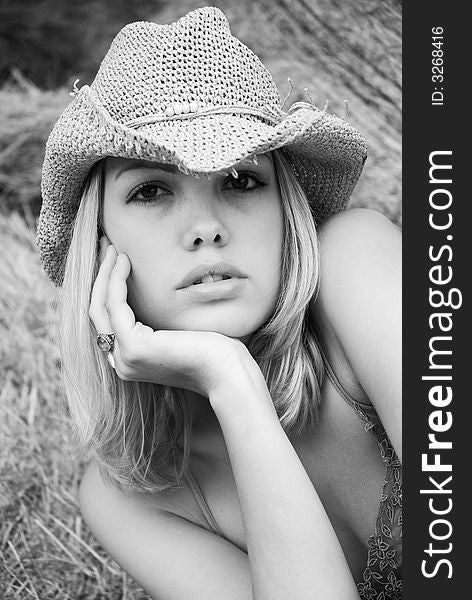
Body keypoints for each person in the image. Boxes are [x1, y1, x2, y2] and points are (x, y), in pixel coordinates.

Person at [37, 7, 401, 599]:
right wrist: (232, 385)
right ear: (99, 244)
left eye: (240, 180)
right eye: (152, 190)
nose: (205, 226)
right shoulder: (129, 499)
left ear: (285, 211)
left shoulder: (356, 261)